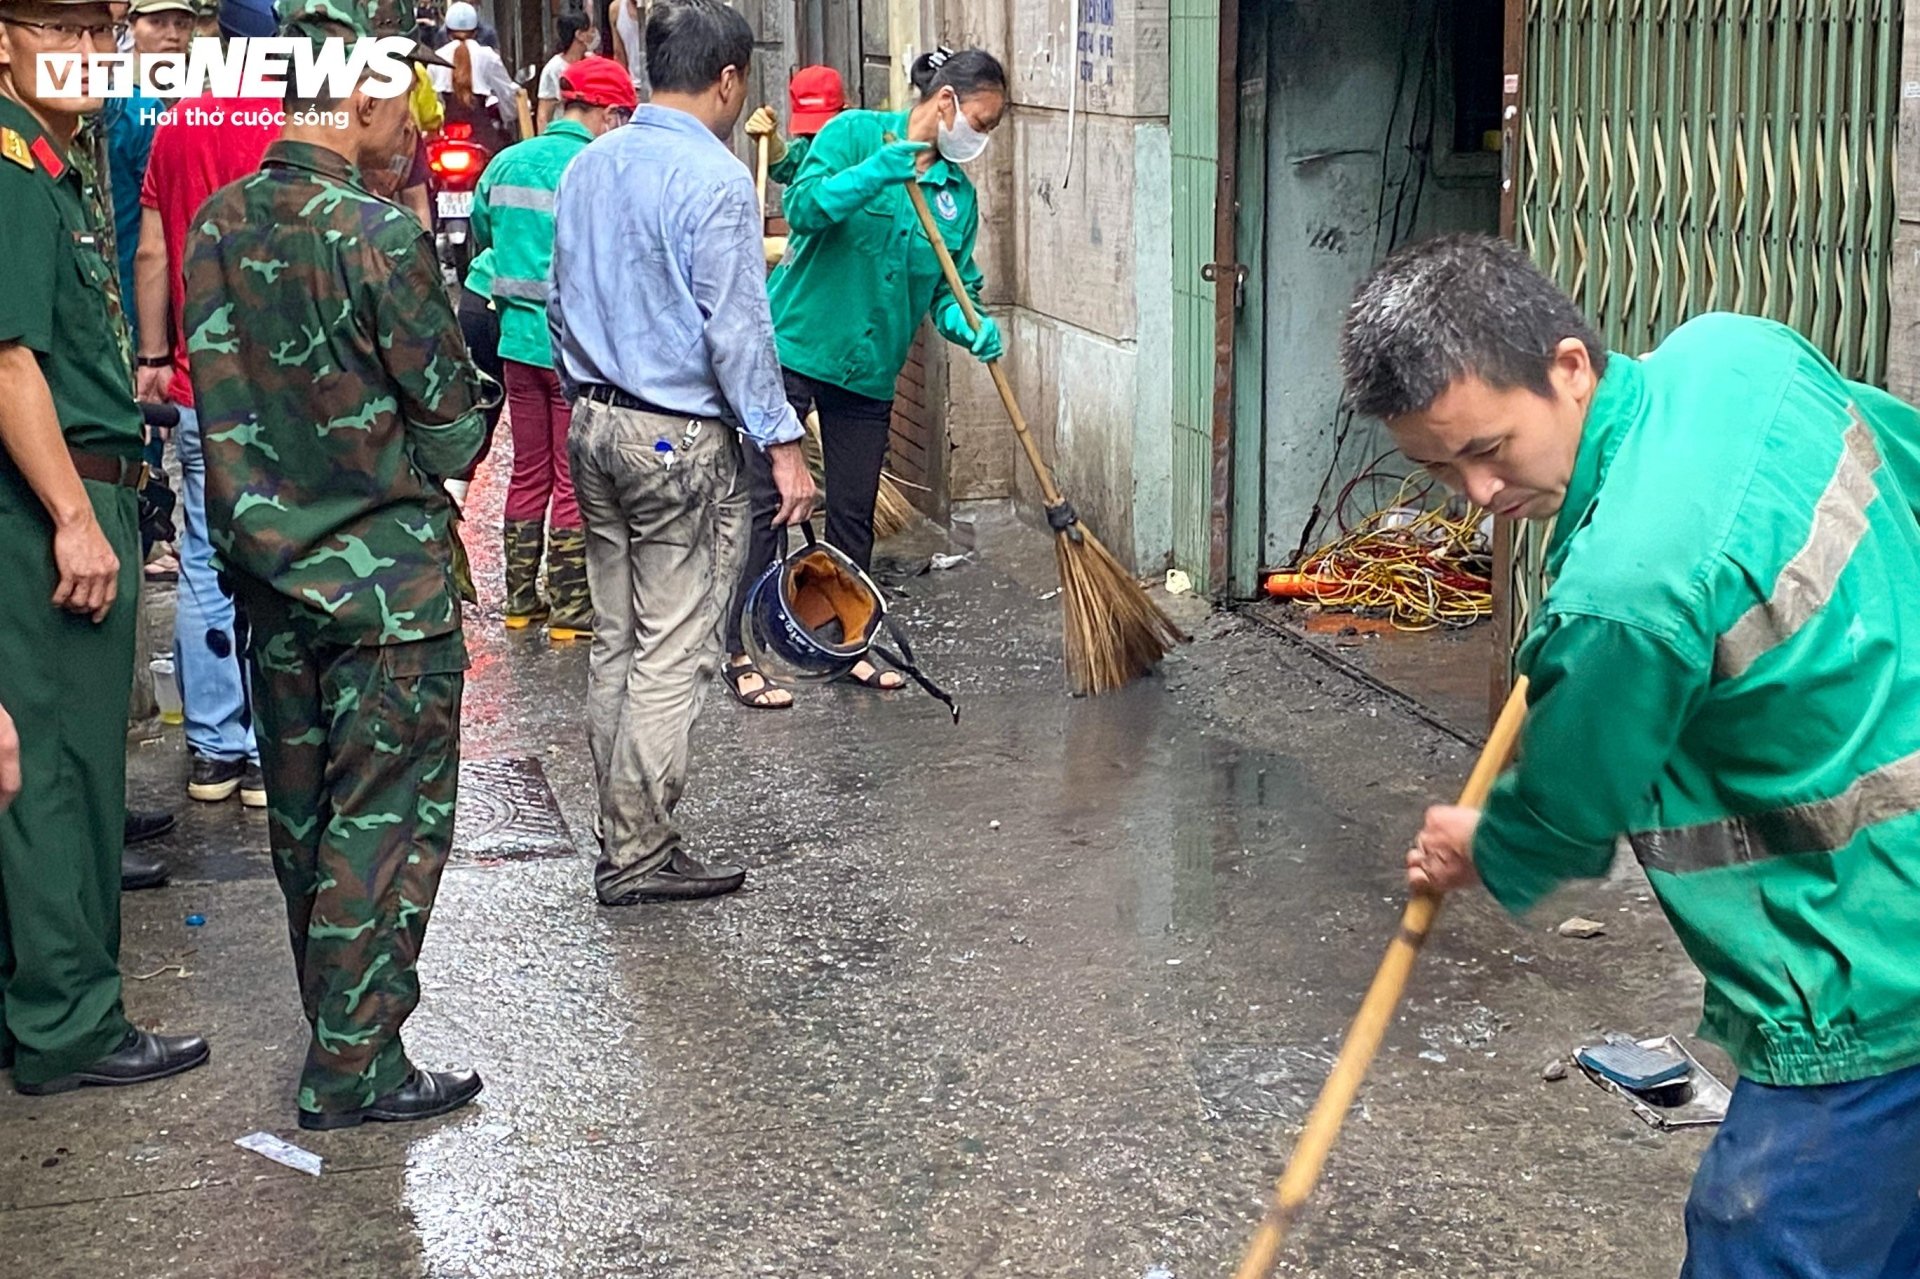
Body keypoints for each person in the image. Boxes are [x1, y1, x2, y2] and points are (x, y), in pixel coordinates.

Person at [1341, 234, 1920, 1278]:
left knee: (1770, 1239)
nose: (1475, 491)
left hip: (1866, 959)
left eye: (1489, 448)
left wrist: (1481, 841)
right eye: (1435, 466)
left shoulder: (1628, 591)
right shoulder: (1741, 354)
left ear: (1569, 366)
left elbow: (1565, 809)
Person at [183, 0, 489, 1130]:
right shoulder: (378, 235)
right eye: (400, 100)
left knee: (306, 824)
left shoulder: (216, 223)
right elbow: (454, 428)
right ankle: (356, 1064)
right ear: (353, 96)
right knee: (389, 825)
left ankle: (344, 1033)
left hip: (270, 586)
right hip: (385, 596)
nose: (412, 123)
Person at [549, 0, 815, 904]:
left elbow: (558, 303)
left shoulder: (589, 165)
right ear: (730, 79)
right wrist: (783, 444)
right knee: (673, 651)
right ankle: (635, 854)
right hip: (674, 437)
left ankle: (620, 835)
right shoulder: (716, 179)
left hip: (593, 422)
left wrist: (590, 392)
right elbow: (738, 331)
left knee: (618, 640)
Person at [0, 0, 210, 1095]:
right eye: (62, 29)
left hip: (81, 490)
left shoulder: (53, 152)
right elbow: (7, 363)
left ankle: (42, 998)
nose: (90, 54)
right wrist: (74, 518)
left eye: (99, 33)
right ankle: (68, 1023)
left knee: (65, 768)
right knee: (59, 775)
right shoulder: (11, 162)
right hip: (51, 506)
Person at [720, 46, 1005, 709]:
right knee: (771, 507)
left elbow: (949, 291)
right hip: (797, 347)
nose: (980, 138)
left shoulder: (955, 198)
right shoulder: (855, 136)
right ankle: (740, 649)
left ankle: (848, 642)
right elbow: (811, 208)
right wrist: (874, 173)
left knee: (852, 515)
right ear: (945, 103)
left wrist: (972, 324)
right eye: (980, 122)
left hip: (870, 372)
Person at [133, 0, 278, 810]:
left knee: (201, 561)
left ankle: (214, 752)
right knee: (276, 559)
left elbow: (153, 247)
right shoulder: (291, 130)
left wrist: (154, 357)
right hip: (284, 394)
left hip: (195, 387)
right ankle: (266, 751)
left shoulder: (178, 126)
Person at [472, 54, 631, 637]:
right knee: (570, 476)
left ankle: (519, 602)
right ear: (608, 113)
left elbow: (484, 237)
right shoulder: (601, 166)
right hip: (572, 349)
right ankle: (569, 610)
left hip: (515, 342)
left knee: (528, 471)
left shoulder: (507, 162)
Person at [430, 0, 515, 152]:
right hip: (482, 134)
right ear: (476, 32)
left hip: (447, 134)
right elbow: (507, 94)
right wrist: (510, 114)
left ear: (448, 33)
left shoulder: (436, 58)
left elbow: (431, 99)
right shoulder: (489, 56)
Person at [743, 63, 843, 188]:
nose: (818, 137)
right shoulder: (806, 147)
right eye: (810, 133)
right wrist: (771, 142)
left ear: (844, 110)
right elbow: (786, 165)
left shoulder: (862, 145)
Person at [534, 10, 593, 133]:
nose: (593, 34)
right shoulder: (553, 69)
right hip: (565, 132)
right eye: (589, 30)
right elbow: (543, 115)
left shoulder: (592, 62)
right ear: (579, 35)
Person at [606, 0, 644, 96]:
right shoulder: (616, 9)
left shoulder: (661, 8)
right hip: (634, 87)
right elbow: (618, 54)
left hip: (661, 88)